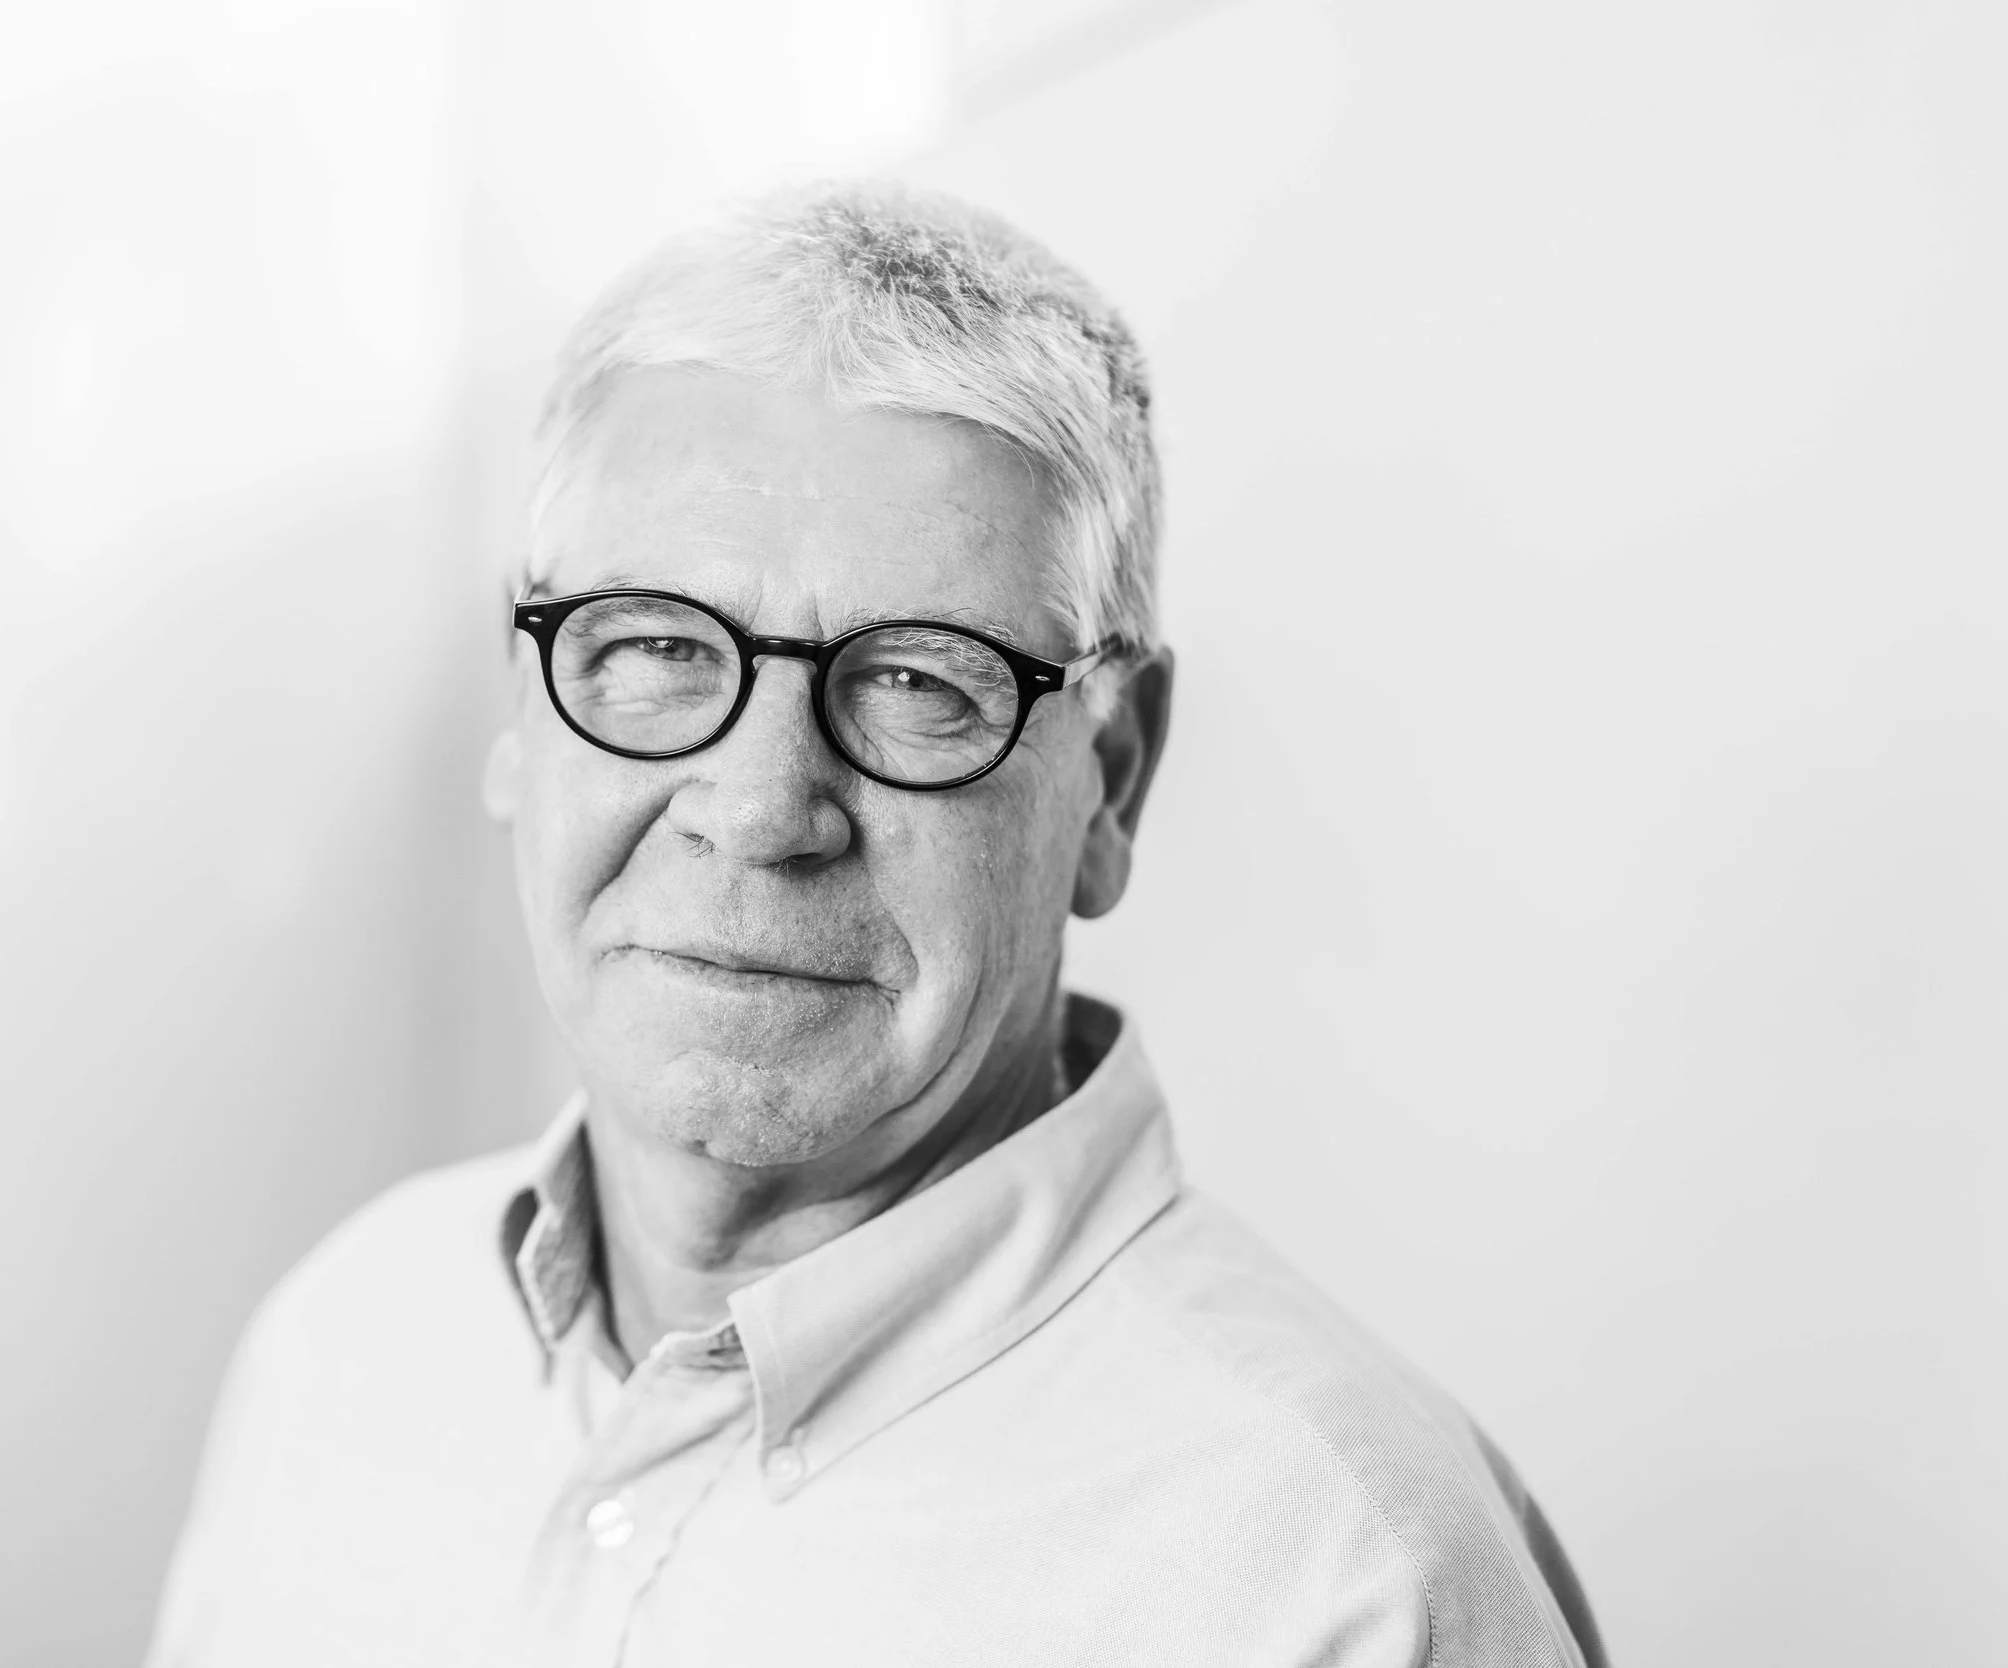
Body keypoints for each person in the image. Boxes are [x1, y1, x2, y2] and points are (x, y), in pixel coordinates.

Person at [144, 182, 1606, 1668]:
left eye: (917, 681)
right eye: (653, 646)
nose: (762, 808)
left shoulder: (1342, 1578)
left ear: (1113, 778)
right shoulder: (340, 1344)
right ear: (523, 706)